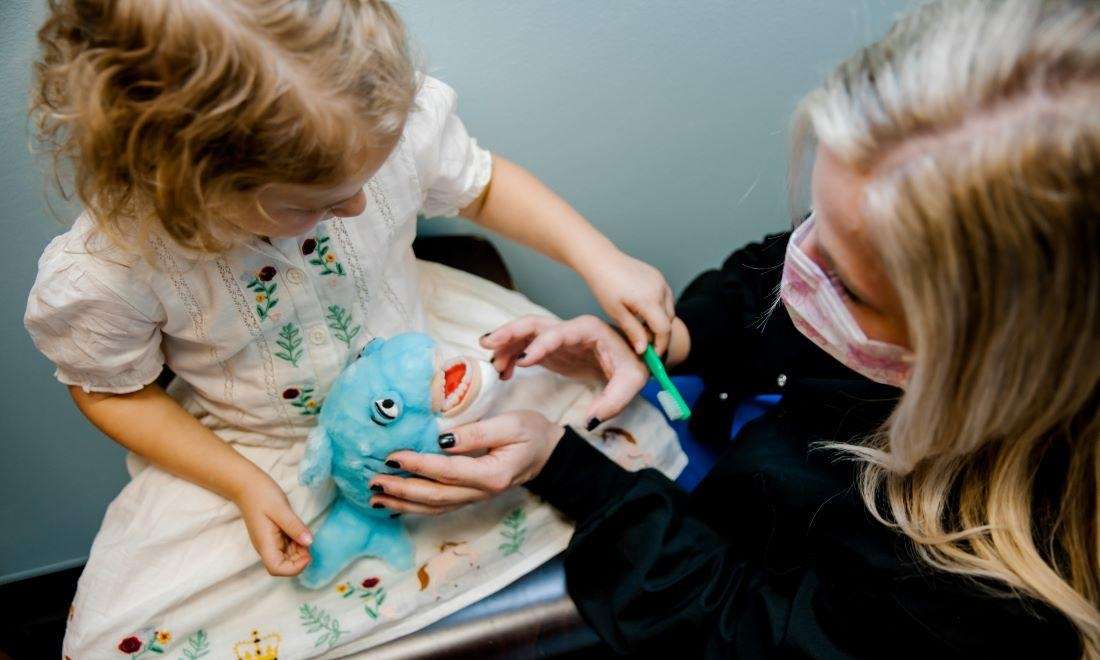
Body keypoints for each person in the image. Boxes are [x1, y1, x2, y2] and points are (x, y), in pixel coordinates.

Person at [375, 1, 1100, 657]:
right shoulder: (860, 263)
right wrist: (670, 339)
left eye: (844, 283)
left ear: (1003, 363)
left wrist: (569, 475)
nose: (795, 269)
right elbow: (768, 279)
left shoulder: (976, 596)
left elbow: (749, 637)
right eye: (810, 222)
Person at [23, 0, 676, 655]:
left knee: (617, 469)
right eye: (320, 202)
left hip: (434, 374)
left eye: (369, 177)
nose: (360, 206)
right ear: (190, 188)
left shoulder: (370, 113)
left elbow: (480, 185)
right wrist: (242, 484)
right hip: (262, 449)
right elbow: (110, 389)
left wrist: (599, 257)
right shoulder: (116, 267)